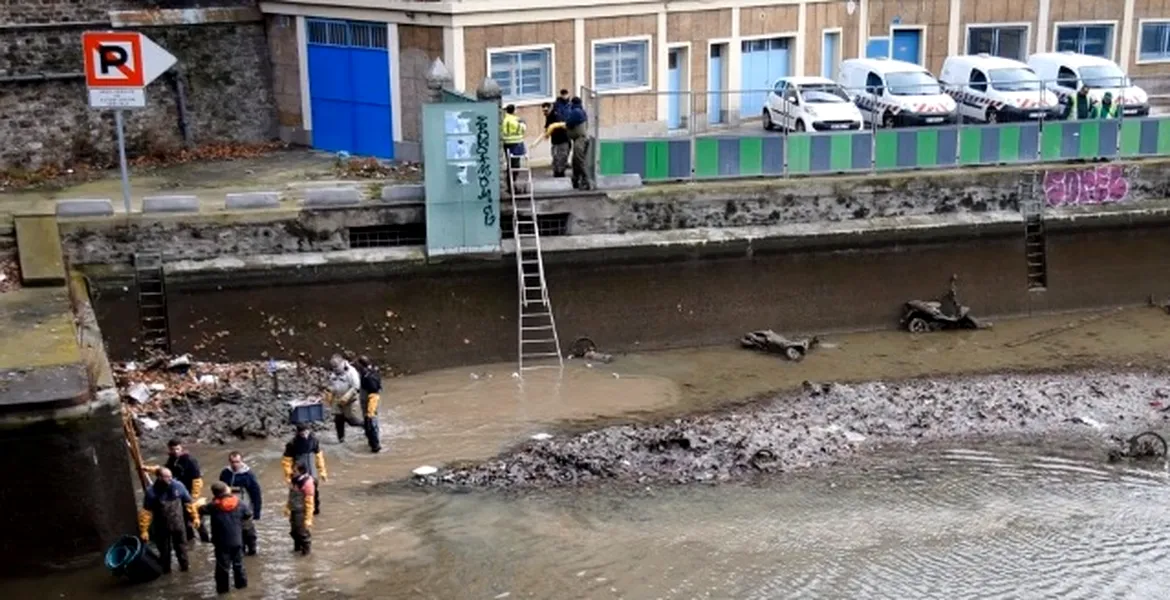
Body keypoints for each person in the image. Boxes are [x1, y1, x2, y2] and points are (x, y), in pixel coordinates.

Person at [145, 439, 209, 542]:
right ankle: (190, 538)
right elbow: (164, 471)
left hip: (189, 493)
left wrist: (194, 496)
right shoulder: (171, 460)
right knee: (183, 519)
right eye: (172, 449)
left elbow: (197, 480)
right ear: (169, 449)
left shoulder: (189, 460)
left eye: (177, 449)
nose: (175, 451)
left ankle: (205, 539)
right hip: (178, 493)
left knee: (196, 518)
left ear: (181, 448)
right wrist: (150, 469)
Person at [139, 467, 194, 574]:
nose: (170, 479)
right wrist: (144, 530)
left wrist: (194, 517)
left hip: (178, 524)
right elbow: (146, 513)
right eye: (167, 477)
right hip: (161, 527)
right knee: (164, 552)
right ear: (159, 477)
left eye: (171, 476)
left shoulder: (178, 486)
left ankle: (185, 569)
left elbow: (189, 503)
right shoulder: (151, 492)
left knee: (182, 549)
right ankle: (166, 571)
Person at [199, 482, 250, 593]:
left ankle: (223, 591)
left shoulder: (213, 506)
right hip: (237, 539)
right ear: (226, 491)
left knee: (222, 567)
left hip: (221, 541)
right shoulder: (239, 503)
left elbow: (200, 510)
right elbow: (248, 514)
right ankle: (242, 588)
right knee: (239, 565)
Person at [218, 451, 262, 556]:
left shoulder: (248, 475)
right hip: (229, 508)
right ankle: (239, 551)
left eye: (237, 462)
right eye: (232, 462)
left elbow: (256, 494)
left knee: (248, 531)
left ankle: (252, 550)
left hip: (245, 508)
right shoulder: (225, 473)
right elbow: (219, 491)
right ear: (229, 462)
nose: (235, 464)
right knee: (235, 532)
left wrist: (257, 512)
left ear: (241, 461)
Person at [282, 423, 326, 515]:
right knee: (297, 494)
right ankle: (294, 512)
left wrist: (322, 471)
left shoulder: (314, 440)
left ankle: (314, 512)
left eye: (306, 432)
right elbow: (287, 461)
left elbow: (319, 456)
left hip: (312, 471)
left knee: (314, 494)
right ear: (298, 433)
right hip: (298, 472)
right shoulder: (292, 443)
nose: (305, 434)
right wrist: (288, 475)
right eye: (302, 433)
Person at [326, 354, 362, 443]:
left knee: (351, 420)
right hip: (337, 399)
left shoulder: (351, 372)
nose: (335, 369)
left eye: (336, 367)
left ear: (342, 363)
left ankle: (366, 426)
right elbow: (332, 384)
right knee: (338, 419)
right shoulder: (333, 373)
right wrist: (329, 392)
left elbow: (356, 387)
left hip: (350, 399)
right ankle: (341, 439)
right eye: (333, 367)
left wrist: (347, 397)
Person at [564, 97, 595, 190]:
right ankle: (576, 180)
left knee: (579, 161)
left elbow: (568, 122)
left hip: (580, 140)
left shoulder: (576, 112)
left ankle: (586, 181)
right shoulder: (581, 111)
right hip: (580, 140)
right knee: (575, 161)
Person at [286, 462, 316, 555]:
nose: (292, 472)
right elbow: (291, 496)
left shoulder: (307, 483)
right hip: (294, 509)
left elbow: (310, 503)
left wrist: (308, 519)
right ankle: (297, 550)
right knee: (294, 532)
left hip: (301, 511)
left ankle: (306, 553)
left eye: (295, 471)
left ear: (301, 472)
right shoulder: (294, 480)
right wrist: (287, 507)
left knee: (301, 533)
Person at [355, 356, 383, 453]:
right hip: (369, 399)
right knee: (370, 421)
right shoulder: (370, 371)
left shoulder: (367, 375)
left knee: (371, 421)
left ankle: (375, 445)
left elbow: (374, 392)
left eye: (358, 365)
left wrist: (370, 410)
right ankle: (372, 438)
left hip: (370, 400)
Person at [541, 101, 571, 178]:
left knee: (561, 156)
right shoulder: (549, 115)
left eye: (546, 111)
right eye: (543, 111)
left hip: (563, 138)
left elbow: (554, 126)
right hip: (555, 139)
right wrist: (546, 132)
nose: (544, 113)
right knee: (555, 155)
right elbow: (547, 126)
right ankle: (556, 171)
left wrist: (547, 134)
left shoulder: (557, 114)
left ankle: (560, 172)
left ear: (550, 108)